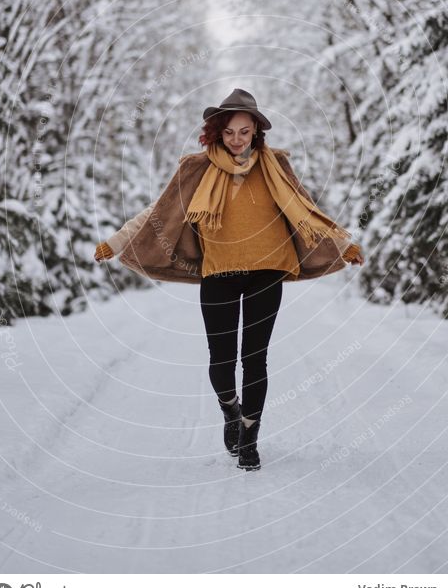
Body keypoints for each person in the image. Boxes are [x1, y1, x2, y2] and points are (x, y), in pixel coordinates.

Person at [94, 88, 364, 471]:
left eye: (245, 131)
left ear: (256, 132)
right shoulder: (197, 169)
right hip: (218, 272)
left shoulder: (275, 166)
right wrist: (117, 240)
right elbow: (159, 211)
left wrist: (343, 245)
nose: (237, 139)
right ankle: (230, 411)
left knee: (255, 359)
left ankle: (250, 438)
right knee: (221, 361)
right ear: (217, 133)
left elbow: (305, 207)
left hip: (267, 271)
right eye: (230, 132)